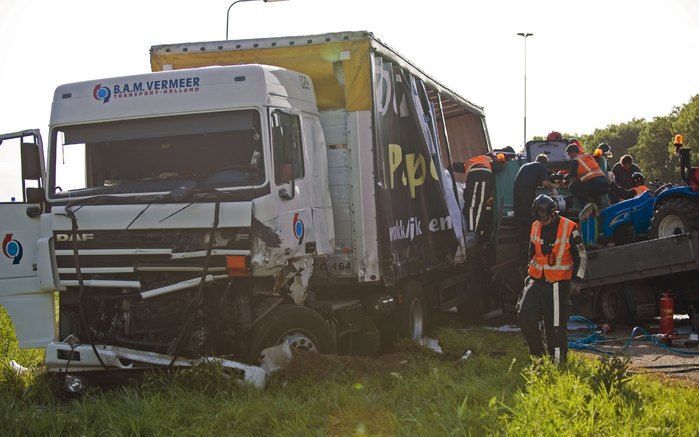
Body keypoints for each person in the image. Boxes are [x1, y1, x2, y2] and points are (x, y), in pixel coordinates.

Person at [517, 195, 587, 364]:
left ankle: (558, 363)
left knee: (554, 326)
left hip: (558, 284)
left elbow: (582, 256)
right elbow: (532, 251)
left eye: (545, 219)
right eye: (540, 219)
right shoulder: (535, 225)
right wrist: (529, 274)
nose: (543, 222)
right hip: (536, 280)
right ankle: (538, 358)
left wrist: (577, 280)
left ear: (553, 214)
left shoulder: (570, 228)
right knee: (524, 315)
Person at [453, 153, 505, 242]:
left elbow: (456, 166)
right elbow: (498, 167)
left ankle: (471, 232)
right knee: (480, 205)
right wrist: (503, 165)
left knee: (470, 205)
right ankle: (473, 233)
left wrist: (447, 171)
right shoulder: (489, 159)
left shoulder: (471, 161)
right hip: (484, 175)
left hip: (472, 175)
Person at [513, 153, 555, 242]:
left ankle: (520, 241)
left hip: (516, 191)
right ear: (545, 163)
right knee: (529, 214)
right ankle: (530, 240)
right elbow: (545, 183)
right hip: (527, 191)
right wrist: (553, 190)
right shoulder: (541, 166)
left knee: (519, 215)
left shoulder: (525, 166)